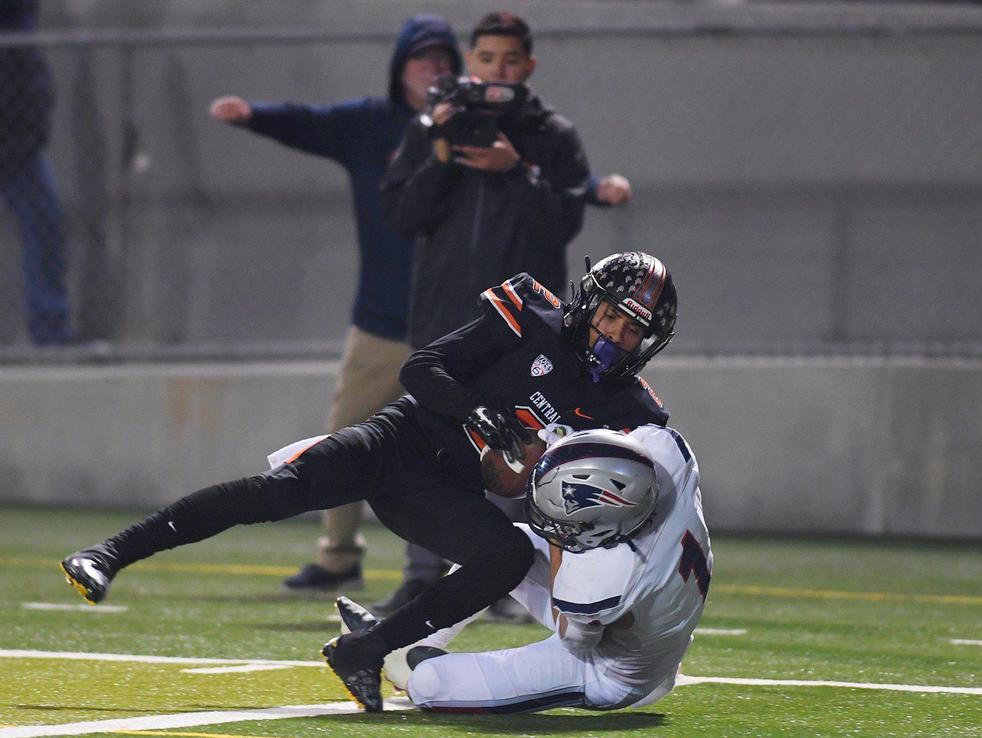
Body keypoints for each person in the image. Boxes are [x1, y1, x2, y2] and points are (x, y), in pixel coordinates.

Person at [60, 251, 679, 711]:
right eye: (612, 319)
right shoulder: (530, 319)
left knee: (505, 556)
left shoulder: (630, 404)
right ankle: (109, 553)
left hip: (444, 491)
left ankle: (365, 651)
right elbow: (421, 368)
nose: (616, 339)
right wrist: (472, 410)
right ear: (588, 301)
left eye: (633, 332)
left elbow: (655, 454)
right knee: (275, 494)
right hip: (399, 441)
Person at [375, 11, 629, 617]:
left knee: (518, 443)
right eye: (486, 59)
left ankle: (511, 579)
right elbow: (402, 218)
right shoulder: (434, 127)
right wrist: (439, 154)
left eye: (510, 61)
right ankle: (421, 573)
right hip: (444, 312)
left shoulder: (553, 136)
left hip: (519, 326)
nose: (497, 71)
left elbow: (563, 223)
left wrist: (515, 170)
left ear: (529, 66)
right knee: (430, 441)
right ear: (471, 61)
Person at [208, 15, 462, 593]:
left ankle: (462, 564)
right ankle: (338, 553)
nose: (436, 70)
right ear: (401, 68)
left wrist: (594, 188)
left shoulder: (471, 129)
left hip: (449, 324)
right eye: (424, 60)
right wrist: (253, 117)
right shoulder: (372, 124)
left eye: (446, 60)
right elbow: (310, 122)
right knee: (343, 437)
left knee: (455, 451)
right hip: (381, 322)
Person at [334, 425, 711, 713]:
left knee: (431, 684)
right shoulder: (664, 455)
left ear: (599, 524)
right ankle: (412, 642)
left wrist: (561, 540)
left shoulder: (605, 580)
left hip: (610, 670)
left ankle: (404, 669)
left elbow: (575, 638)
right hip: (654, 632)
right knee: (499, 550)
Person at [1, 0, 73, 345]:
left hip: (17, 134)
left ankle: (51, 329)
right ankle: (50, 327)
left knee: (45, 223)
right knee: (44, 222)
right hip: (16, 130)